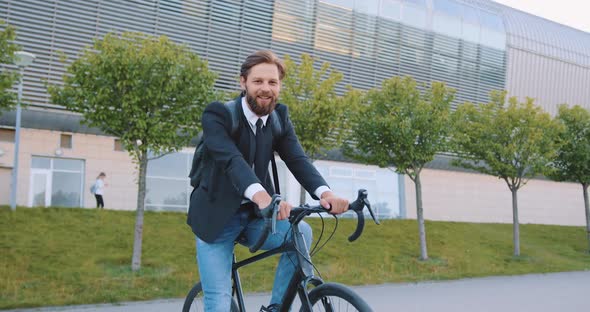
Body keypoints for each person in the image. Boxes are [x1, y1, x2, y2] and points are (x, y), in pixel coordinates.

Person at [187, 50, 349, 312]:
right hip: (215, 219)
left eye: (272, 82)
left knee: (302, 233)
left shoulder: (279, 118)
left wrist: (325, 193)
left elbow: (297, 160)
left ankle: (276, 308)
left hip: (254, 218)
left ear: (279, 86)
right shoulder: (218, 115)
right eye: (258, 81)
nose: (266, 89)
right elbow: (231, 161)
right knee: (217, 302)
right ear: (243, 82)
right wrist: (262, 196)